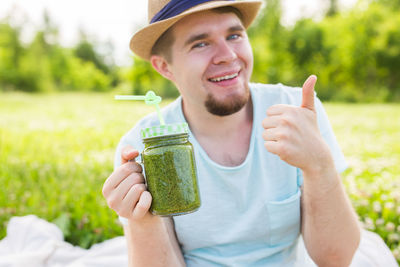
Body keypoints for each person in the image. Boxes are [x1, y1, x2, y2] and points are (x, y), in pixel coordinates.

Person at [102, 0, 363, 266]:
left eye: (234, 35)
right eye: (200, 43)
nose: (227, 55)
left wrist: (319, 164)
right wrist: (142, 221)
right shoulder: (145, 145)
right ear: (165, 67)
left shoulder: (297, 112)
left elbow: (337, 258)